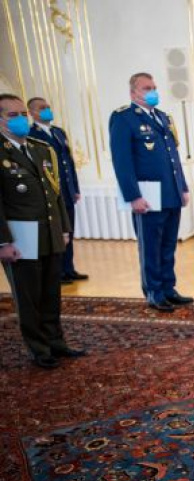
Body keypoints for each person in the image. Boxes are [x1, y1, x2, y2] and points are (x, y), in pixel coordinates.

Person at [0, 93, 86, 368]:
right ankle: (39, 348)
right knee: (29, 296)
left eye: (22, 114)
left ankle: (56, 341)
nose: (20, 119)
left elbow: (55, 193)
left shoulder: (41, 148)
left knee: (51, 292)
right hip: (20, 236)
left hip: (49, 231)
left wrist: (63, 228)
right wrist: (3, 242)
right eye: (12, 115)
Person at [109, 72, 193, 312]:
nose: (152, 91)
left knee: (168, 245)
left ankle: (168, 288)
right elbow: (122, 161)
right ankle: (154, 292)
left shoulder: (163, 117)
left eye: (154, 87)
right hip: (147, 194)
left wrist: (182, 187)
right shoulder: (124, 118)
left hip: (170, 192)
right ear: (133, 92)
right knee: (150, 247)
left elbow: (173, 158)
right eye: (146, 88)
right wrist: (133, 195)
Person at [27, 97, 89, 283]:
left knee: (68, 231)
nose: (47, 110)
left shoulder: (58, 132)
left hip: (66, 193)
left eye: (48, 106)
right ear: (32, 113)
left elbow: (68, 162)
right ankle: (58, 273)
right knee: (56, 234)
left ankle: (68, 268)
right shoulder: (31, 135)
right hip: (51, 194)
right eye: (42, 108)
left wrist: (74, 188)